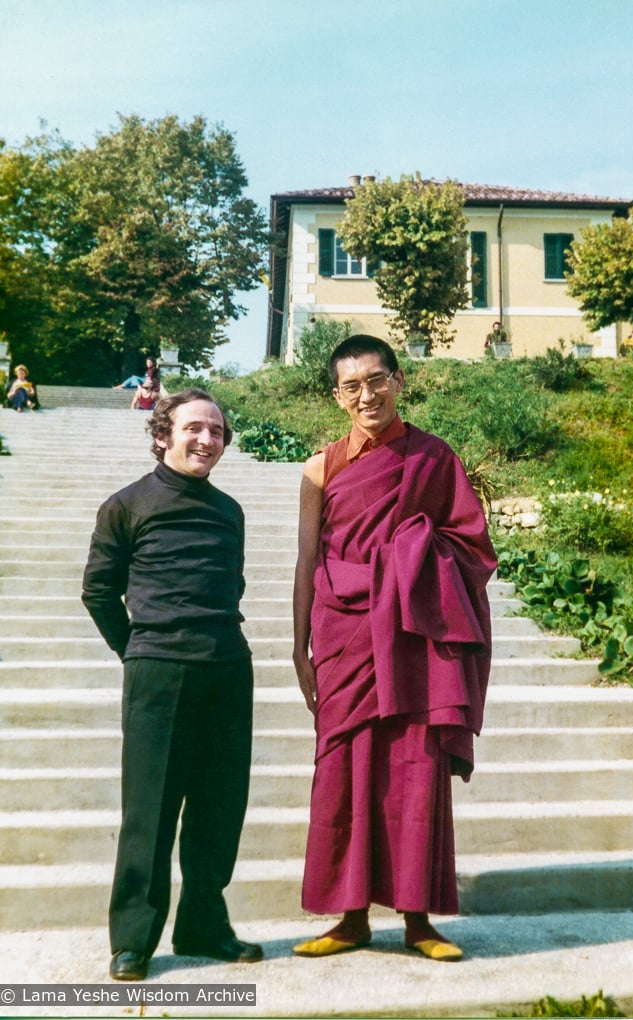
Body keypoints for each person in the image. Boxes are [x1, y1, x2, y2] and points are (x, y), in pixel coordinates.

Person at [292, 335, 497, 963]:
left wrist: (411, 559)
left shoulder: (435, 459)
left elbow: (473, 549)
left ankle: (419, 920)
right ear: (337, 395)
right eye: (351, 386)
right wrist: (298, 647)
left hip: (412, 635)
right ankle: (349, 918)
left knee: (415, 772)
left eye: (376, 380)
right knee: (344, 774)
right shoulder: (319, 466)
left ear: (399, 381)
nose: (366, 395)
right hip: (343, 632)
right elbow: (308, 559)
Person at [82, 389, 262, 981]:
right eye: (194, 428)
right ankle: (133, 938)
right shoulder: (126, 506)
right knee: (151, 810)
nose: (207, 439)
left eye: (217, 430)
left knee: (219, 806)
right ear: (163, 434)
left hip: (227, 669)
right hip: (158, 671)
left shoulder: (230, 510)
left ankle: (205, 925)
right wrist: (135, 650)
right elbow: (99, 592)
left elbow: (229, 586)